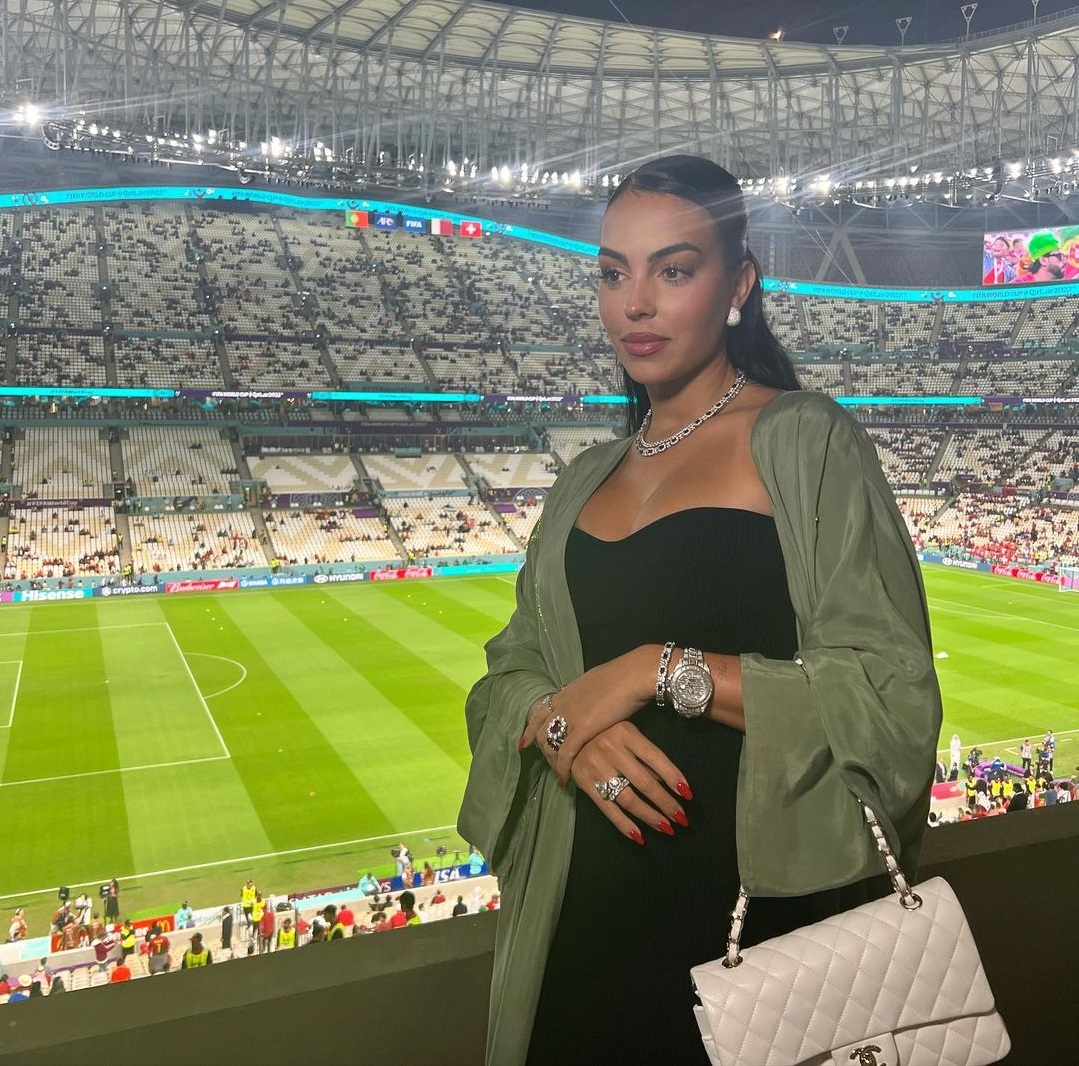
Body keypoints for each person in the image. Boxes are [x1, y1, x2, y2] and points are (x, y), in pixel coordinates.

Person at [458, 155, 942, 1065]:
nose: (634, 303)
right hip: (577, 931)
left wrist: (655, 671)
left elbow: (890, 698)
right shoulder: (581, 480)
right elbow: (509, 676)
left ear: (738, 287)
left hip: (755, 941)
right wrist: (564, 731)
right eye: (613, 273)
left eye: (672, 270)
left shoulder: (805, 439)